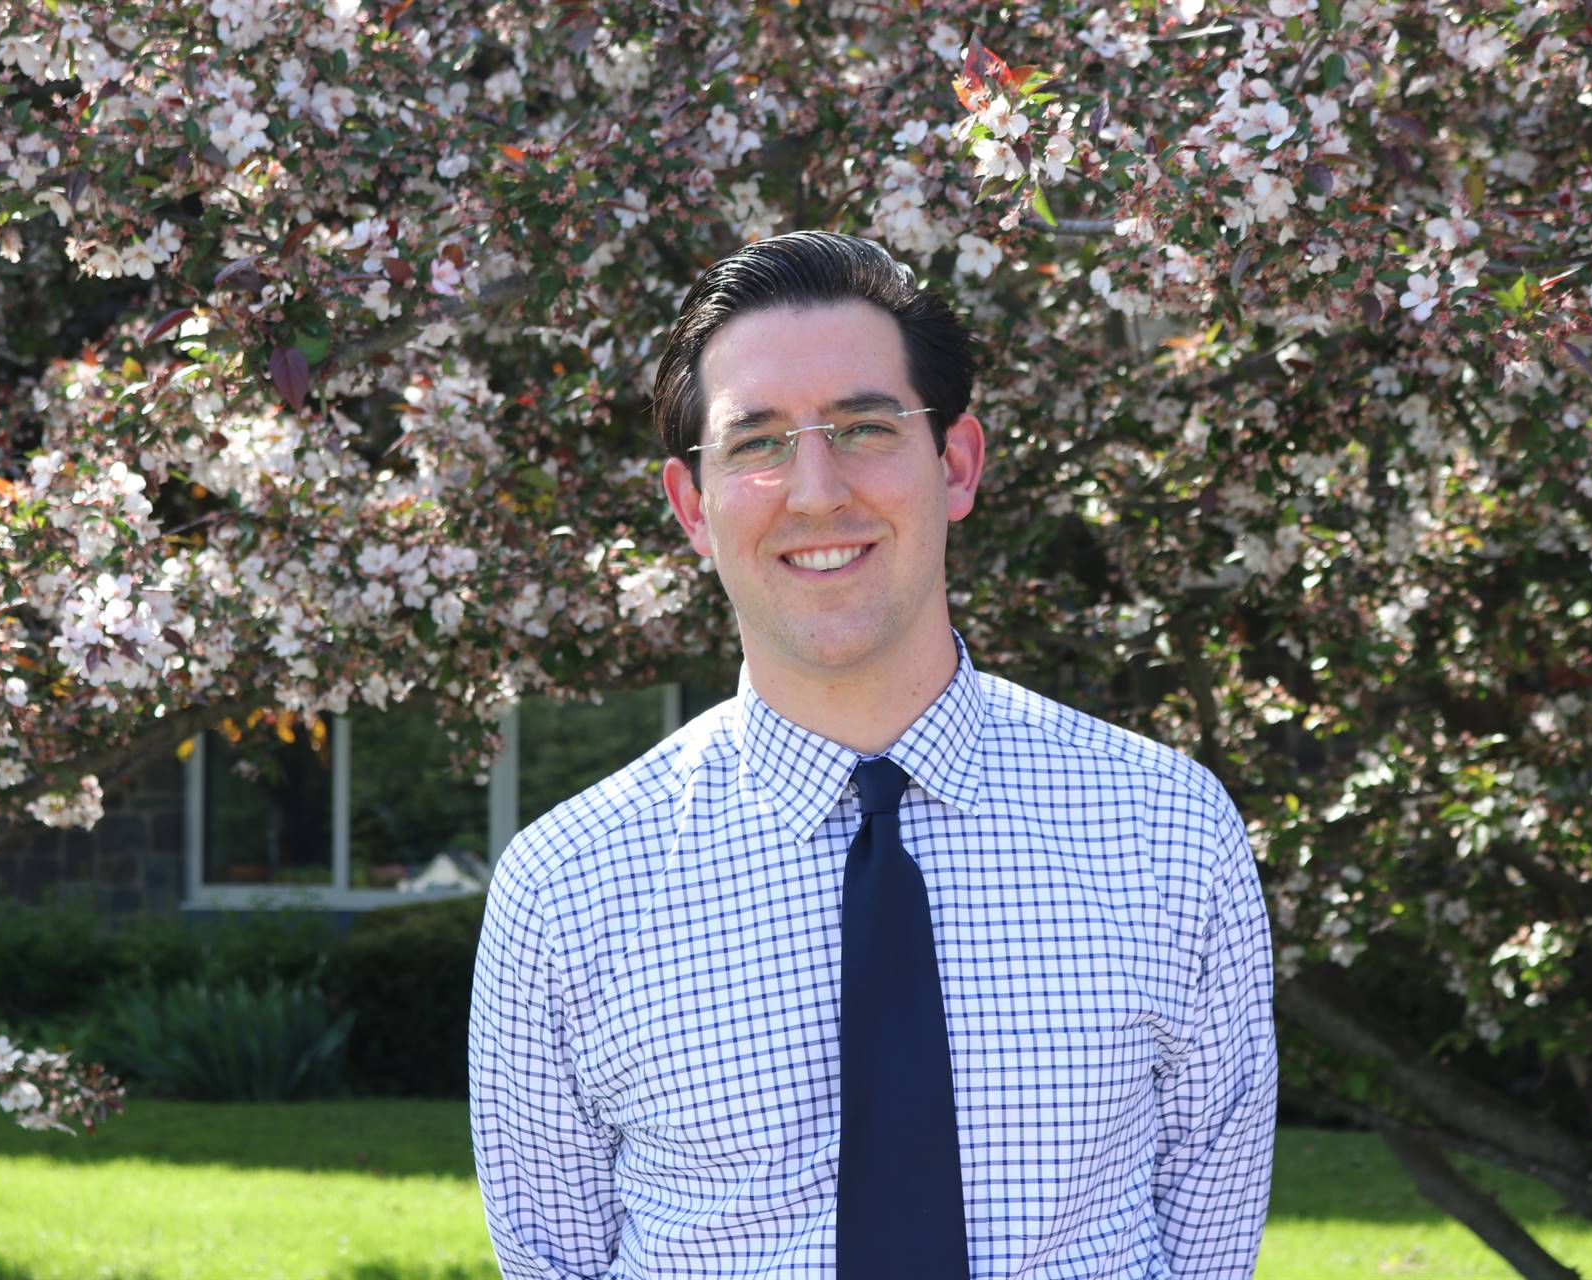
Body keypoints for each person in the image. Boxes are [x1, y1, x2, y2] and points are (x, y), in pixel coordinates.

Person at [469, 230, 1277, 1279]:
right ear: (692, 507)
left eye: (863, 425)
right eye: (756, 442)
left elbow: (1208, 1249)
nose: (815, 490)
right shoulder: (565, 888)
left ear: (955, 463)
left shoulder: (1169, 831)